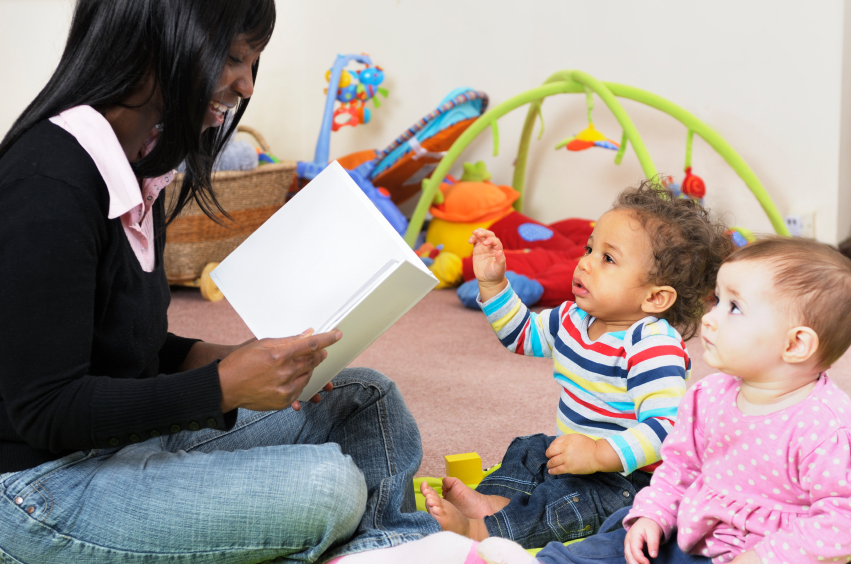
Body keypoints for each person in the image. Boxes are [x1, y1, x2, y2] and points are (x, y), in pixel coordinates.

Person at [0, 1, 441, 562]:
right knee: (328, 487)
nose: (246, 85)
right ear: (156, 38)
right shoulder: (47, 185)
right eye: (234, 57)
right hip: (37, 490)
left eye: (253, 63)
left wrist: (228, 357)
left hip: (117, 445)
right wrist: (223, 388)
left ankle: (382, 551)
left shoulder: (137, 167)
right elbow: (47, 409)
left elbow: (121, 345)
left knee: (367, 399)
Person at [421, 182, 732, 549]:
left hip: (627, 480)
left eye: (608, 258)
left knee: (574, 502)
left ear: (655, 297)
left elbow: (665, 430)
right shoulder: (570, 318)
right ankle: (494, 501)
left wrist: (599, 454)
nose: (585, 261)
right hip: (576, 452)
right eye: (589, 249)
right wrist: (493, 284)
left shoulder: (652, 345)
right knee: (529, 449)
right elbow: (520, 334)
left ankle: (487, 530)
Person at [510, 236, 851, 564]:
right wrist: (654, 516)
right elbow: (679, 470)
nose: (709, 318)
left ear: (795, 345)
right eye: (716, 300)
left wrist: (766, 557)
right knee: (622, 533)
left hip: (769, 552)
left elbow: (841, 521)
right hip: (694, 533)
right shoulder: (708, 396)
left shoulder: (826, 427)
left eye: (734, 307)